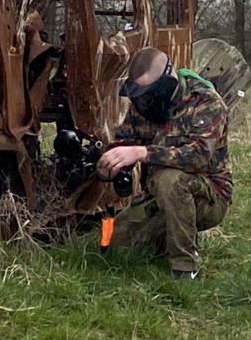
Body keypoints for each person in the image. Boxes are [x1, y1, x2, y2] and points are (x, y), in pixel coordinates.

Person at [96, 47, 232, 280]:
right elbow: (125, 141)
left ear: (166, 84)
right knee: (110, 247)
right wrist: (110, 162)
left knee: (169, 178)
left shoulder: (206, 102)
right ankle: (168, 236)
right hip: (157, 195)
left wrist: (142, 153)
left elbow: (198, 156)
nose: (143, 100)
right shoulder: (144, 105)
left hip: (209, 196)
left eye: (148, 93)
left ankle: (184, 268)